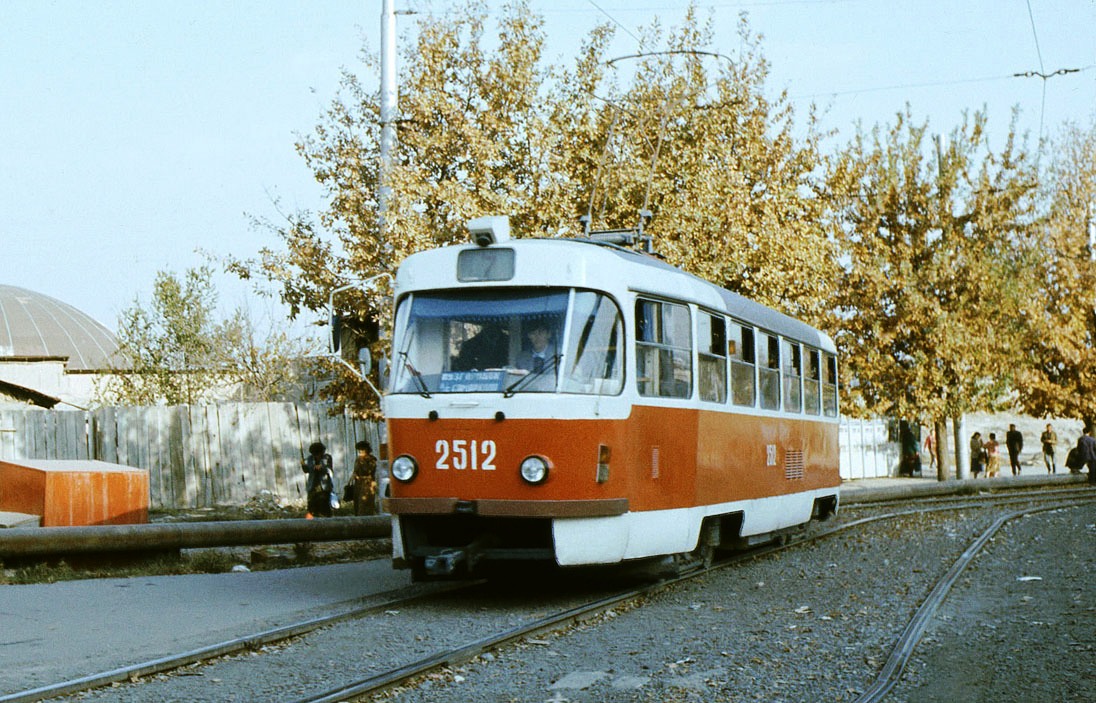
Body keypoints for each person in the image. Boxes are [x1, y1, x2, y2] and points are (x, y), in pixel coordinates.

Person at [302, 441, 335, 518]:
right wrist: (303, 465)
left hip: (324, 486)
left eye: (318, 454)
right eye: (315, 454)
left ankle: (327, 523)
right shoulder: (310, 459)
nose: (317, 456)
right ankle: (311, 524)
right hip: (313, 486)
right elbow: (306, 470)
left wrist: (322, 468)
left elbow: (329, 470)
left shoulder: (327, 458)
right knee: (311, 506)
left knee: (324, 506)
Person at [352, 440, 378, 516]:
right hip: (358, 484)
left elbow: (369, 470)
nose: (360, 451)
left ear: (367, 450)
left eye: (362, 449)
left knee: (365, 504)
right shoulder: (358, 459)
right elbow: (356, 470)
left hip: (368, 483)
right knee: (357, 503)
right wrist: (354, 474)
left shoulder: (372, 459)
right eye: (359, 450)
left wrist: (362, 461)